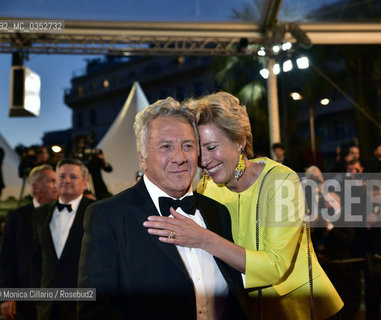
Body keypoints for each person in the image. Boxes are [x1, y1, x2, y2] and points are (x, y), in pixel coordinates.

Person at [144, 92, 343, 320]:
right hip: (248, 311)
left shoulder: (281, 181)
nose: (204, 161)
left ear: (240, 141)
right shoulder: (206, 187)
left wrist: (203, 238)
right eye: (199, 150)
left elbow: (275, 266)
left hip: (302, 310)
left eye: (211, 147)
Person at [77, 97, 247, 320]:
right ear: (143, 158)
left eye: (187, 146)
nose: (180, 158)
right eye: (166, 146)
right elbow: (94, 310)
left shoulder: (218, 213)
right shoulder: (108, 216)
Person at [31, 159, 94, 320]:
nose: (66, 180)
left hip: (84, 305)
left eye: (73, 177)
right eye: (62, 176)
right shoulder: (40, 213)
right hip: (47, 306)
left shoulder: (97, 211)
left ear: (85, 183)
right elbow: (37, 257)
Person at [0, 164, 58, 320]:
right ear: (35, 186)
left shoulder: (66, 214)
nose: (57, 185)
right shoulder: (17, 217)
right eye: (52, 181)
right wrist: (7, 295)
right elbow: (6, 259)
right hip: (25, 301)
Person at [72, 135, 113, 200]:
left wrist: (103, 158)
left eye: (84, 142)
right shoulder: (75, 159)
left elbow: (108, 169)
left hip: (100, 190)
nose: (82, 145)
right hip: (83, 191)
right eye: (80, 143)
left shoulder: (94, 157)